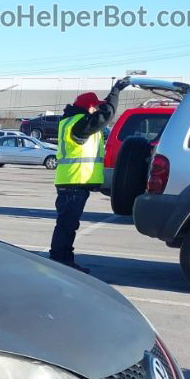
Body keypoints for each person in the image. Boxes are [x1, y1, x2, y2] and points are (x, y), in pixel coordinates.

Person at [48, 76, 131, 272]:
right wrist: (116, 91)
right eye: (95, 107)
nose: (97, 111)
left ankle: (63, 260)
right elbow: (105, 115)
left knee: (67, 224)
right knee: (67, 225)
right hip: (73, 183)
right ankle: (60, 260)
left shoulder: (73, 121)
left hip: (73, 182)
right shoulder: (78, 124)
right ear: (90, 108)